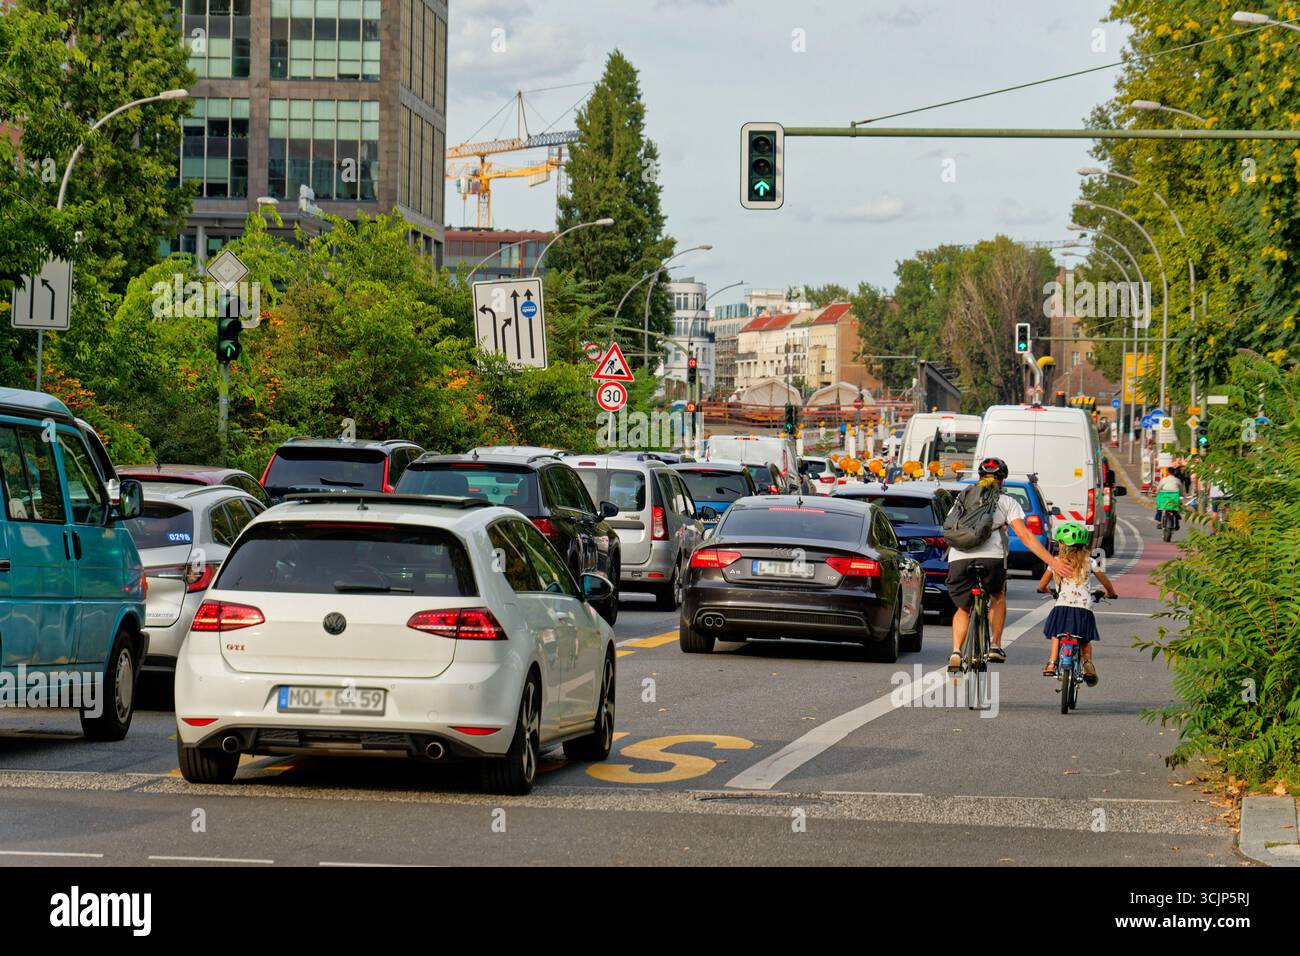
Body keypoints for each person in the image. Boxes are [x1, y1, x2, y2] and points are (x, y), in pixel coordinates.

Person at [946, 456, 1071, 673]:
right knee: (997, 595)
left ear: (979, 477)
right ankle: (995, 644)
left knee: (963, 608)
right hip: (991, 558)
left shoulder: (962, 499)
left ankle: (956, 652)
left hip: (959, 556)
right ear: (1002, 481)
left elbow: (950, 528)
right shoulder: (1007, 502)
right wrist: (1053, 562)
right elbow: (1025, 536)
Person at [1037, 522, 1118, 684]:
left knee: (1057, 634)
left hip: (1062, 606)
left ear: (1062, 544)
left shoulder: (1056, 562)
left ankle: (1052, 663)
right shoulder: (1090, 562)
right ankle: (1087, 663)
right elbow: (1106, 582)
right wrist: (1111, 593)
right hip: (1083, 608)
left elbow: (1042, 585)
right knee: (1084, 639)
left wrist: (1047, 590)